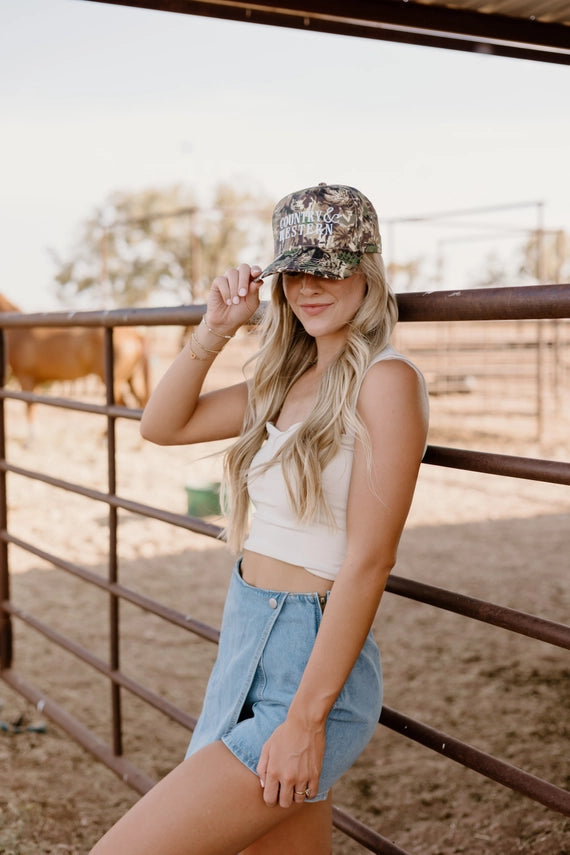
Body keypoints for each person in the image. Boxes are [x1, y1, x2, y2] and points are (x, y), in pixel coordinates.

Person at [89, 183, 429, 855]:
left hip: (308, 668)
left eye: (328, 265)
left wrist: (305, 721)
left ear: (368, 266)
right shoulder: (283, 382)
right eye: (295, 268)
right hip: (247, 640)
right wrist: (215, 328)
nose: (309, 284)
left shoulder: (386, 382)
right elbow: (162, 424)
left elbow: (368, 562)